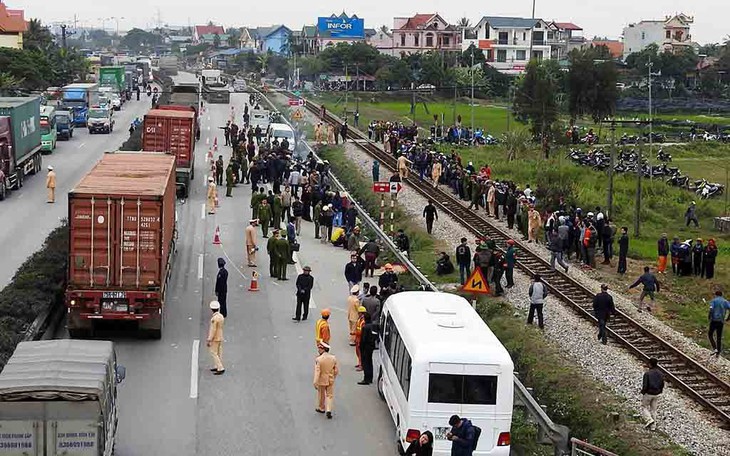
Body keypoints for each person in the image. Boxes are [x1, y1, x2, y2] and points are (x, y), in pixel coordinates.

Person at [313, 342, 339, 419]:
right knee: (329, 395)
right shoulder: (333, 358)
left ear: (323, 349)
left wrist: (315, 382)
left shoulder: (319, 359)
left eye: (319, 349)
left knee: (321, 394)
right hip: (330, 379)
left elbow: (317, 372)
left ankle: (321, 408)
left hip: (322, 379)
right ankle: (329, 410)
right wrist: (333, 376)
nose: (318, 350)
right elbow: (336, 370)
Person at [640, 358, 664, 431]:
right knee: (654, 410)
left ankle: (649, 420)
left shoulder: (647, 374)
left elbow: (645, 385)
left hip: (649, 393)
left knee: (644, 407)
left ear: (650, 364)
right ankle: (653, 427)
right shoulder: (660, 373)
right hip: (657, 393)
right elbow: (662, 384)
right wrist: (660, 391)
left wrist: (643, 392)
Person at [708, 290, 730, 356]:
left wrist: (709, 316)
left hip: (714, 320)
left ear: (716, 295)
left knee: (710, 334)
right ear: (721, 295)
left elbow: (711, 309)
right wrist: (728, 317)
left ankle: (715, 348)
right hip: (721, 321)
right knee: (719, 336)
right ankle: (718, 352)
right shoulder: (725, 301)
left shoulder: (714, 301)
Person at [207, 300, 225, 375]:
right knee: (219, 352)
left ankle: (220, 367)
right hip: (220, 336)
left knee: (213, 352)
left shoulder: (214, 319)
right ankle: (217, 365)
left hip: (215, 337)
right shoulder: (221, 316)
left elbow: (213, 330)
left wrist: (209, 339)